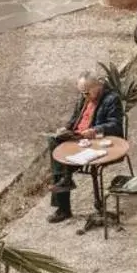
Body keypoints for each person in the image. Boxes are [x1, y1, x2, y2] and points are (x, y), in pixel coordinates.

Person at [46, 72, 124, 223]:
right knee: (54, 143)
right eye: (82, 92)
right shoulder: (84, 98)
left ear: (98, 87)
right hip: (77, 136)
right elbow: (74, 119)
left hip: (94, 139)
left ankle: (64, 201)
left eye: (87, 92)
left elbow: (115, 124)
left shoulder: (111, 99)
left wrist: (95, 130)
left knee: (61, 163)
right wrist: (65, 129)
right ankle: (65, 179)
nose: (84, 96)